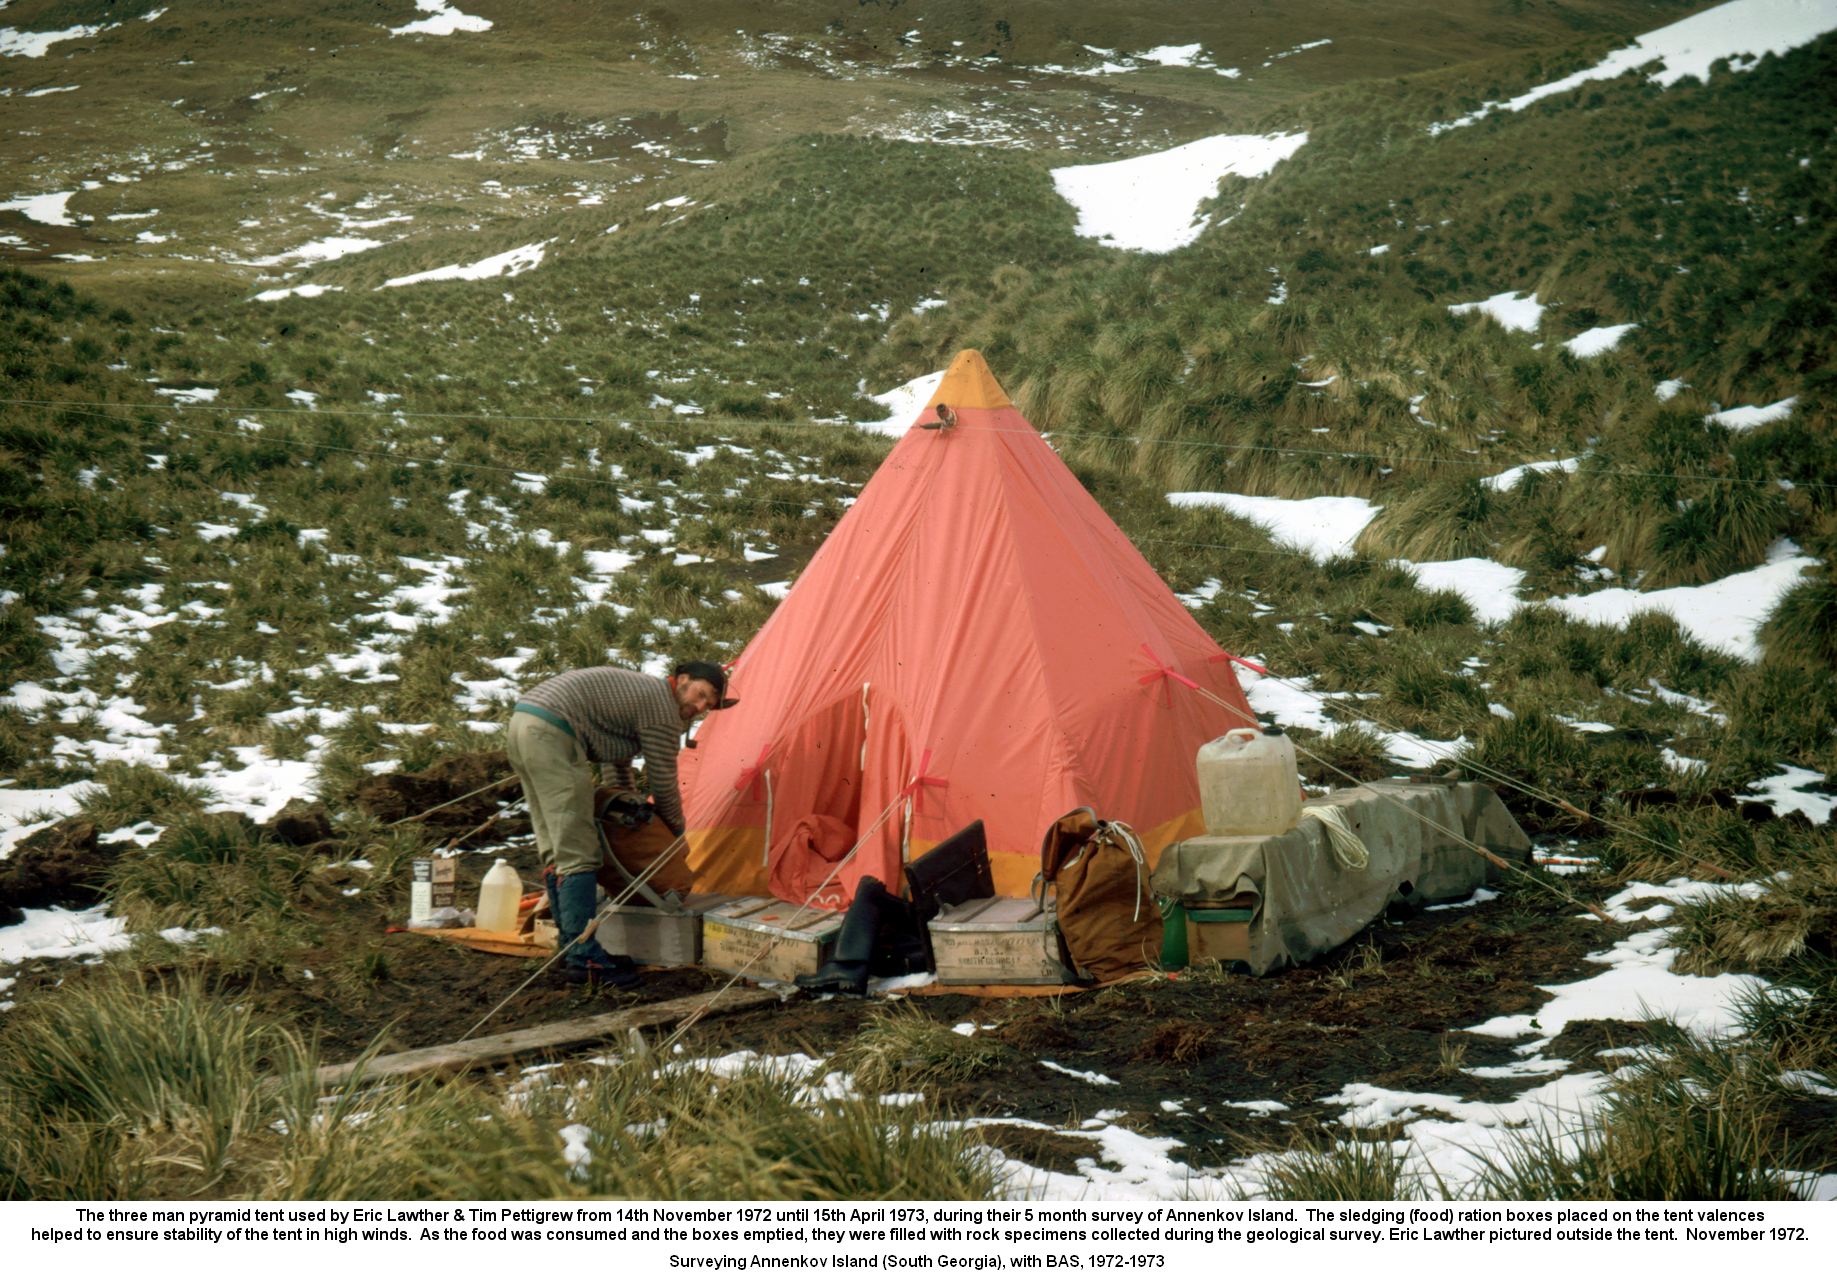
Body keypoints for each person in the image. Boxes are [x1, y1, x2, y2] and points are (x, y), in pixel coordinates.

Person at [507, 660, 733, 987]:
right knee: (580, 853)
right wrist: (675, 835)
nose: (698, 707)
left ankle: (569, 945)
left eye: (707, 706)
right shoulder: (662, 708)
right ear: (682, 679)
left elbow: (618, 767)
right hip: (554, 732)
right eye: (700, 694)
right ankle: (583, 955)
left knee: (557, 847)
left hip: (525, 723)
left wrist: (625, 806)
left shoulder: (642, 695)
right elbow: (663, 780)